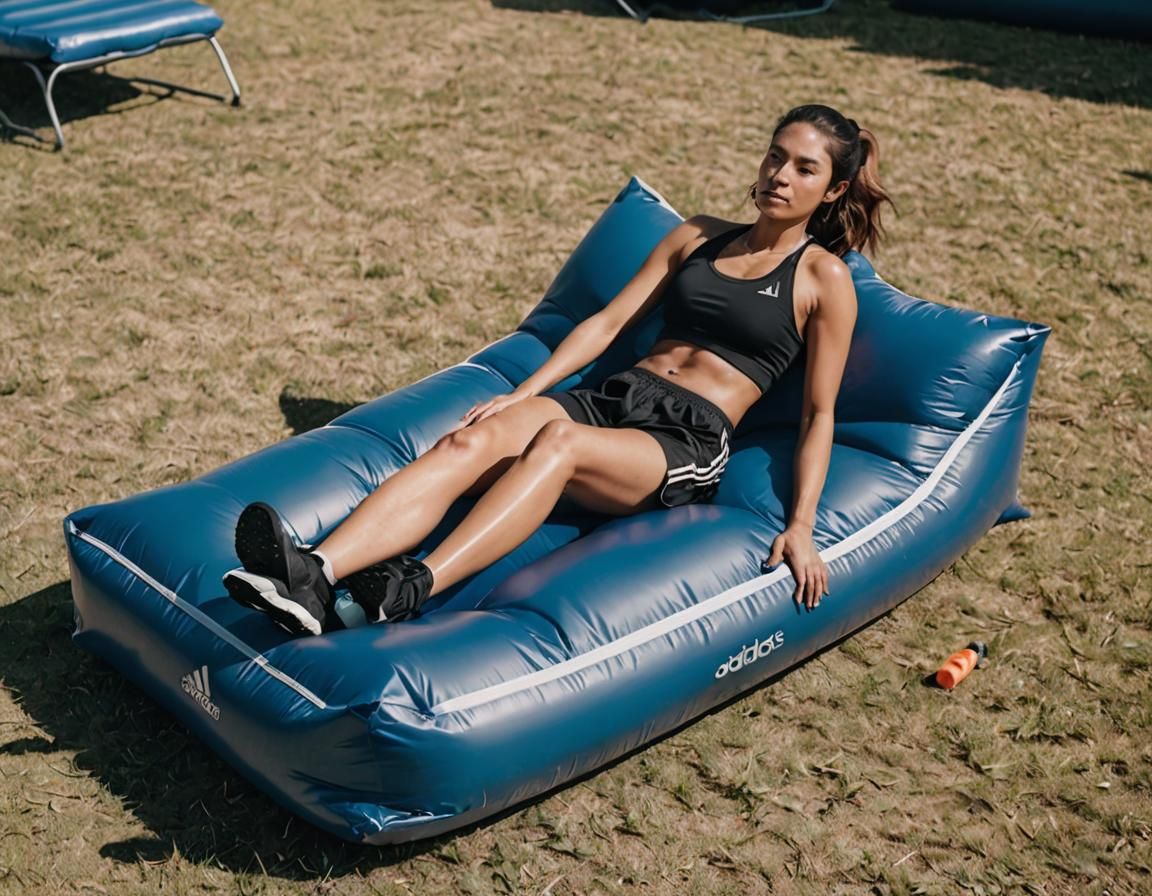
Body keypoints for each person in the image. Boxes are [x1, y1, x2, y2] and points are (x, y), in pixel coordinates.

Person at [223, 103, 893, 637]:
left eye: (804, 169)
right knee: (473, 439)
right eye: (776, 156)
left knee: (559, 444)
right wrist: (521, 394)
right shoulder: (697, 235)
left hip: (685, 441)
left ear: (832, 190)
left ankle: (411, 587)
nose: (780, 175)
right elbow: (608, 324)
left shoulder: (822, 278)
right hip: (617, 396)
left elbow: (817, 412)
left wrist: (802, 526)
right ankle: (315, 573)